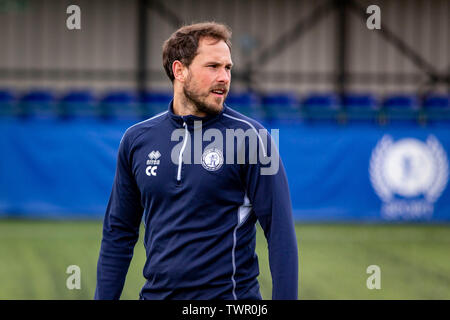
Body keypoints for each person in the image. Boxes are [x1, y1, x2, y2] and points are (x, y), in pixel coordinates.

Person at [95, 21, 298, 300]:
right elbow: (118, 234)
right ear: (179, 70)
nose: (225, 77)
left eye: (228, 68)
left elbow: (281, 235)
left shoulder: (252, 139)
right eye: (213, 66)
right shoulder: (136, 140)